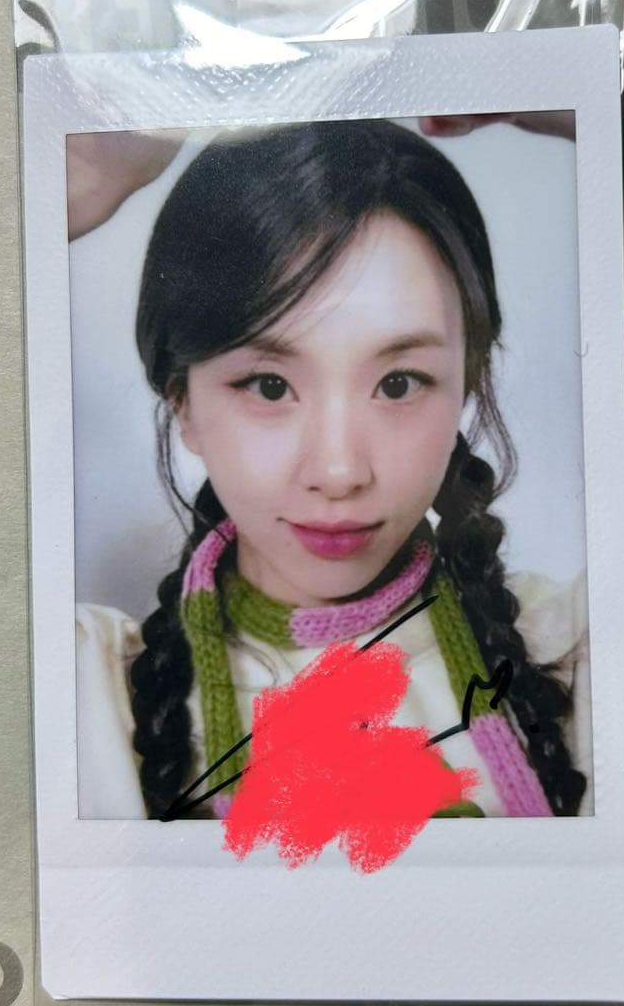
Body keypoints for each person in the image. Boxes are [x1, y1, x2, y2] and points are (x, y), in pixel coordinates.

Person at [75, 117, 592, 823]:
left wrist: (583, 96)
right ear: (182, 402)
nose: (340, 471)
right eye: (269, 386)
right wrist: (81, 176)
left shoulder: (581, 652)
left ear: (466, 381)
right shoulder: (87, 696)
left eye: (399, 383)